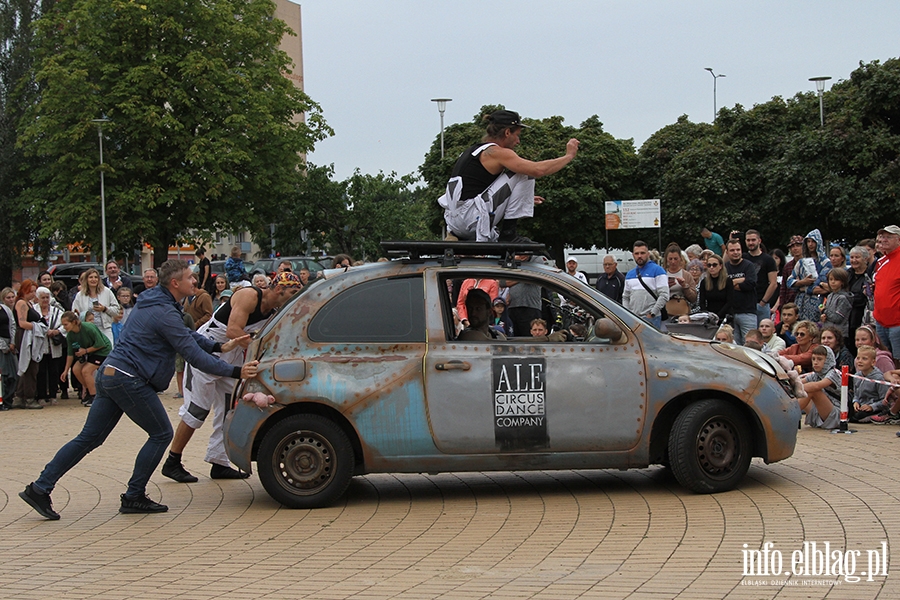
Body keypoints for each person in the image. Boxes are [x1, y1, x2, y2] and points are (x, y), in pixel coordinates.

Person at [19, 260, 259, 520]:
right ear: (175, 283)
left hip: (110, 374)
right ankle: (134, 495)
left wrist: (217, 347)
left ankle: (39, 488)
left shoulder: (158, 303)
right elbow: (191, 354)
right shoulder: (164, 311)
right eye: (190, 277)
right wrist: (236, 371)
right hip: (128, 378)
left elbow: (186, 335)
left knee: (89, 438)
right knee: (161, 433)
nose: (195, 281)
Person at [161, 271, 302, 483]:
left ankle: (219, 461)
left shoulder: (274, 310)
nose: (295, 297)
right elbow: (233, 330)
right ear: (279, 289)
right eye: (293, 292)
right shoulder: (249, 296)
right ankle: (173, 461)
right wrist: (259, 351)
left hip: (232, 357)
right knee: (197, 410)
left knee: (229, 409)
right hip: (208, 352)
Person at [439, 109, 579, 243]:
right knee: (525, 173)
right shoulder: (496, 152)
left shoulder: (473, 151)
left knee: (519, 174)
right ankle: (508, 234)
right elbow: (537, 170)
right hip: (470, 219)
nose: (518, 141)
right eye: (517, 135)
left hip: (454, 221)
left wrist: (520, 197)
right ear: (507, 132)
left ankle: (462, 235)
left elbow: (475, 189)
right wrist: (569, 156)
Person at [58, 311, 111, 407]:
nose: (64, 327)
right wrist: (65, 370)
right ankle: (89, 389)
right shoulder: (70, 335)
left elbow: (101, 344)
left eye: (66, 324)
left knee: (86, 371)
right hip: (89, 352)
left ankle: (94, 396)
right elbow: (70, 354)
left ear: (74, 322)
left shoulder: (88, 328)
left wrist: (85, 351)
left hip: (102, 351)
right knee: (76, 369)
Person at [623, 241, 668, 328]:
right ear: (633, 255)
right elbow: (625, 297)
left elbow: (664, 295)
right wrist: (627, 314)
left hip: (652, 319)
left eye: (642, 253)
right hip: (633, 319)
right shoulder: (629, 274)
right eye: (637, 253)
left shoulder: (658, 271)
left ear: (648, 254)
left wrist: (652, 313)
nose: (639, 256)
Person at [789, 229, 831, 322]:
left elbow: (820, 284)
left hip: (818, 302)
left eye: (813, 241)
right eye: (808, 241)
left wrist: (803, 288)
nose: (810, 244)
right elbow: (790, 282)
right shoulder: (801, 262)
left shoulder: (825, 263)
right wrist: (802, 282)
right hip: (801, 303)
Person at [13, 280, 44, 410]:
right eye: (30, 291)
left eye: (34, 291)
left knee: (29, 367)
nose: (32, 294)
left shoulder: (29, 304)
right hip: (25, 337)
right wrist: (39, 327)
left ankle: (20, 396)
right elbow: (22, 323)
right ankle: (28, 397)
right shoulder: (21, 303)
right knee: (29, 367)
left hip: (31, 336)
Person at [72, 268, 120, 348]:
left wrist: (104, 309)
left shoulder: (107, 292)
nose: (93, 279)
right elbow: (74, 313)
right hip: (87, 330)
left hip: (104, 329)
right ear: (86, 279)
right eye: (91, 277)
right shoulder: (80, 295)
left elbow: (116, 310)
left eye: (96, 277)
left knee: (107, 353)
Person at [873, 225, 900, 363]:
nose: (884, 240)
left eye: (888, 237)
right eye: (882, 237)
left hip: (897, 322)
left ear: (898, 240)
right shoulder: (881, 261)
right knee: (884, 359)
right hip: (880, 320)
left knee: (897, 360)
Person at [34, 287, 65, 406]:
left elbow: (64, 324)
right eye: (43, 298)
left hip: (54, 345)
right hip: (40, 345)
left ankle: (53, 395)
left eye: (47, 297)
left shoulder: (57, 311)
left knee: (54, 371)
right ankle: (41, 395)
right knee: (41, 371)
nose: (45, 300)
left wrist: (57, 331)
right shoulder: (33, 310)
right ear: (38, 298)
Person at [723, 238, 758, 345]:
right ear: (727, 252)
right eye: (732, 250)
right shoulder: (724, 268)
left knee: (750, 344)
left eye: (738, 250)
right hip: (730, 313)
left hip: (747, 311)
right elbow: (722, 287)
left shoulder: (748, 265)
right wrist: (740, 281)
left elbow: (751, 284)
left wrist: (731, 284)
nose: (736, 253)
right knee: (732, 346)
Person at [798, 345, 842, 430]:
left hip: (837, 414)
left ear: (828, 360)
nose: (815, 362)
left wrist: (796, 388)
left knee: (814, 390)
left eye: (819, 359)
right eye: (813, 359)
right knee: (801, 390)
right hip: (820, 412)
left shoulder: (833, 373)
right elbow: (799, 382)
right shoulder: (816, 375)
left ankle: (789, 415)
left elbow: (817, 385)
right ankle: (786, 412)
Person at [743, 230, 778, 324]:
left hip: (761, 303)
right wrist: (731, 241)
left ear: (759, 241)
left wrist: (763, 302)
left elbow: (773, 283)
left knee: (763, 333)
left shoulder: (768, 260)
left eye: (753, 240)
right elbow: (725, 262)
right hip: (745, 304)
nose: (751, 243)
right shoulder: (742, 258)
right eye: (748, 240)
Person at [847, 245, 873, 353]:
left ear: (865, 259)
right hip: (847, 316)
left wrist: (849, 297)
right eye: (852, 257)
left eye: (857, 257)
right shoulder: (848, 274)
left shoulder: (869, 275)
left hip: (862, 316)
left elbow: (864, 297)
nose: (854, 260)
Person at [664, 243, 697, 316]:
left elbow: (693, 298)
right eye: (670, 259)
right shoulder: (662, 274)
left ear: (680, 258)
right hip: (665, 312)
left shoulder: (687, 275)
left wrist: (684, 286)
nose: (673, 262)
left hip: (682, 312)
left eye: (675, 259)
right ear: (666, 259)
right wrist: (666, 287)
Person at [819, 267, 851, 337]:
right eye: (831, 279)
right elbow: (828, 314)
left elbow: (838, 318)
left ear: (842, 282)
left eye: (836, 280)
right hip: (828, 331)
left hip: (839, 334)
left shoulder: (843, 298)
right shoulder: (830, 296)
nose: (833, 282)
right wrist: (823, 317)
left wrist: (824, 310)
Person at [0, 287, 18, 410]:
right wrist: (3, 346)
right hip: (1, 346)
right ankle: (3, 400)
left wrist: (12, 342)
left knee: (14, 374)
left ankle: (8, 399)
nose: (11, 299)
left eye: (12, 297)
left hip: (9, 344)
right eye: (8, 297)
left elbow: (12, 325)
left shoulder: (5, 309)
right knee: (3, 375)